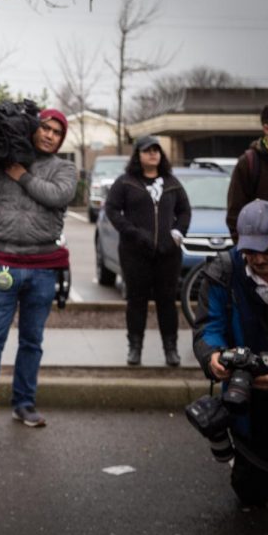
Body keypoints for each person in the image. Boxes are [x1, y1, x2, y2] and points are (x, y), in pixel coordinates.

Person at [0, 107, 76, 431]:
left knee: (31, 340)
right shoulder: (3, 162)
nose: (50, 135)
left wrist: (21, 174)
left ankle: (24, 404)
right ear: (35, 129)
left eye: (57, 132)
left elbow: (58, 195)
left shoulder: (64, 168)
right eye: (46, 128)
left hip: (43, 267)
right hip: (5, 263)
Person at [192, 199, 268, 506]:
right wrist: (213, 357)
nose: (256, 259)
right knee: (250, 492)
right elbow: (208, 325)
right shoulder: (223, 272)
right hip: (247, 396)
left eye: (267, 249)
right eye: (249, 250)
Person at [104, 136, 191, 366]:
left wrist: (177, 234)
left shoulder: (172, 182)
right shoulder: (126, 182)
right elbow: (112, 210)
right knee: (136, 301)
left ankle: (170, 350)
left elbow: (184, 211)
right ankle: (135, 348)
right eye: (147, 151)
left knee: (167, 302)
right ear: (138, 155)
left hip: (168, 254)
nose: (153, 154)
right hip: (135, 253)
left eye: (156, 150)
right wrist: (131, 232)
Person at [226, 103, 268, 242]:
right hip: (262, 251)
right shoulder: (249, 163)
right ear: (267, 129)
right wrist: (249, 252)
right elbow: (235, 214)